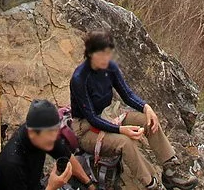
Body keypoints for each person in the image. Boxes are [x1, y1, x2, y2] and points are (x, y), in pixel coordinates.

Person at [69, 31, 197, 190]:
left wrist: (146, 107)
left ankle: (171, 170)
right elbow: (92, 117)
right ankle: (151, 184)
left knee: (147, 120)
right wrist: (121, 130)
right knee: (125, 142)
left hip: (109, 114)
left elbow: (127, 95)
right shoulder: (79, 78)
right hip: (86, 128)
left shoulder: (110, 68)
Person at [0, 99, 96, 190]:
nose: (54, 138)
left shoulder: (43, 133)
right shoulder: (12, 165)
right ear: (32, 133)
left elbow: (67, 156)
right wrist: (52, 186)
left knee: (79, 162)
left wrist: (89, 184)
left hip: (36, 185)